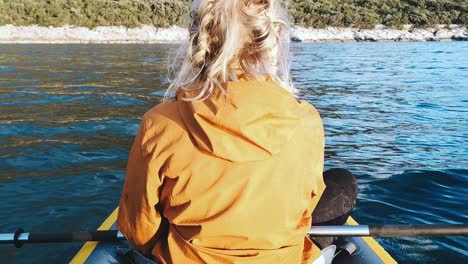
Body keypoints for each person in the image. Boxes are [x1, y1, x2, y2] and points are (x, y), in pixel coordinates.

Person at [117, 0, 357, 263]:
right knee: (342, 182)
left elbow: (138, 231)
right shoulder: (307, 119)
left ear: (199, 37)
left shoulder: (159, 123)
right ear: (271, 37)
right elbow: (305, 209)